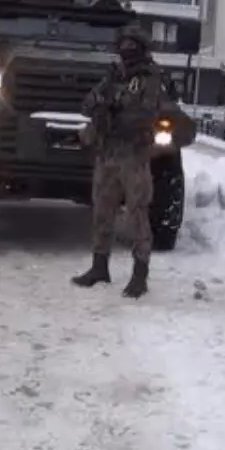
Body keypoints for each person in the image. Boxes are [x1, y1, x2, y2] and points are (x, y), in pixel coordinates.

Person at [71, 25, 167, 298]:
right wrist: (101, 106)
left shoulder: (150, 78)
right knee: (102, 208)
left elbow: (146, 112)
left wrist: (113, 109)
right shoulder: (114, 75)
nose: (126, 50)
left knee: (137, 212)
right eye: (123, 45)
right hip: (108, 151)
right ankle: (100, 266)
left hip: (133, 153)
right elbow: (87, 103)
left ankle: (140, 274)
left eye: (131, 46)